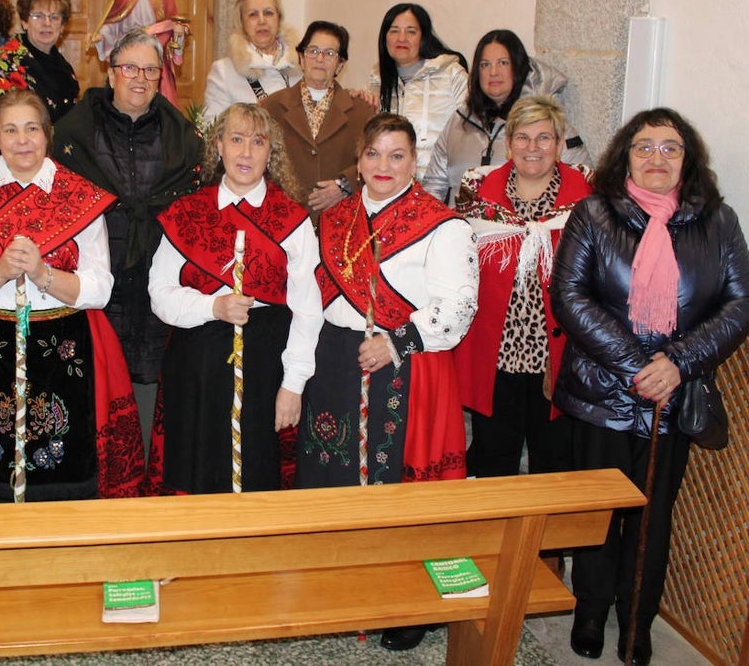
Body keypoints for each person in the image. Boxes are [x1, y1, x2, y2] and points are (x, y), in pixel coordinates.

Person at [551, 108, 749, 665]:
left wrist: (677, 363)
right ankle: (589, 612)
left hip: (673, 396)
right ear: (625, 155)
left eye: (670, 148)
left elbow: (739, 303)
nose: (656, 158)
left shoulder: (719, 221)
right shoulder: (593, 213)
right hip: (601, 393)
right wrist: (639, 363)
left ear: (689, 159)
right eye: (644, 146)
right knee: (598, 512)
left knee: (651, 516)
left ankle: (637, 620)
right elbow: (570, 295)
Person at [295, 112, 478, 653]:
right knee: (331, 469)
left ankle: (406, 600)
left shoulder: (443, 225)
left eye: (396, 156)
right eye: (373, 154)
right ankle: (336, 587)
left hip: (406, 367)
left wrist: (397, 341)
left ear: (414, 162)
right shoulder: (335, 219)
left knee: (399, 489)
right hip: (336, 361)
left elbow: (458, 306)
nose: (383, 166)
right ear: (358, 160)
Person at [0, 90, 145, 502]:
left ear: (47, 135)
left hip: (64, 351)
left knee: (63, 470)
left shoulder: (80, 196)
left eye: (32, 128)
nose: (22, 140)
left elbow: (99, 288)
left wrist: (42, 273)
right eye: (10, 130)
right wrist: (0, 271)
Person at [148, 102, 321, 494]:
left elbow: (308, 310)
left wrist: (293, 384)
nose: (245, 152)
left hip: (266, 367)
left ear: (270, 153)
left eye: (257, 142)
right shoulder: (186, 213)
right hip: (197, 364)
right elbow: (159, 292)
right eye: (236, 139)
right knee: (195, 472)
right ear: (219, 147)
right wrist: (212, 306)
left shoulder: (291, 220)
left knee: (257, 473)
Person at [52, 29, 204, 455]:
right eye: (130, 68)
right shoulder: (73, 133)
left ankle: (147, 476)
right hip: (95, 278)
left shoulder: (183, 136)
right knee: (95, 379)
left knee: (152, 383)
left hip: (158, 275)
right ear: (111, 72)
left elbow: (193, 208)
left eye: (151, 70)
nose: (140, 78)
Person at [452, 96, 591, 479]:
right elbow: (456, 259)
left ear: (560, 144)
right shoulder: (477, 190)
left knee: (554, 462)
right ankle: (492, 539)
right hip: (493, 352)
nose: (533, 148)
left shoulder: (587, 199)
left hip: (558, 357)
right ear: (509, 142)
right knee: (492, 458)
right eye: (524, 137)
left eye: (544, 137)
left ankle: (545, 540)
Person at [422, 29, 590, 206]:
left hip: (527, 229)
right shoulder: (458, 122)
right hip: (460, 229)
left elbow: (582, 185)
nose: (493, 72)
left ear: (517, 67)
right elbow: (434, 186)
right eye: (485, 65)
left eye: (502, 63)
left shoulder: (547, 124)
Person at [260, 20, 373, 221]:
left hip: (341, 222)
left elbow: (374, 162)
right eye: (313, 51)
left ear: (340, 64)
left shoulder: (362, 111)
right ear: (302, 58)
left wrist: (345, 185)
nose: (320, 58)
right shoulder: (270, 107)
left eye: (330, 53)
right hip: (283, 220)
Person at [367, 3, 467, 179]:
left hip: (437, 189)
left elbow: (468, 134)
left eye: (411, 31)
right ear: (384, 38)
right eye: (394, 31)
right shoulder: (377, 82)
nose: (402, 38)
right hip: (391, 188)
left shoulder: (451, 74)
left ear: (423, 37)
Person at [92, 0, 187, 107]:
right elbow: (114, 22)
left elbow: (174, 26)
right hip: (128, 54)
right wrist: (102, 36)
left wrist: (177, 32)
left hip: (154, 53)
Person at [0, 0, 80, 121]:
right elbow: (7, 122)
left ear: (62, 26)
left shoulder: (63, 66)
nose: (47, 23)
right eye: (38, 16)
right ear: (24, 22)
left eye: (54, 17)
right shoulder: (5, 63)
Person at [204, 0, 299, 119]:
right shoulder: (224, 71)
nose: (262, 20)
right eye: (253, 14)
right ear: (242, 23)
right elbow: (211, 128)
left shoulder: (302, 66)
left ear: (278, 19)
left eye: (268, 13)